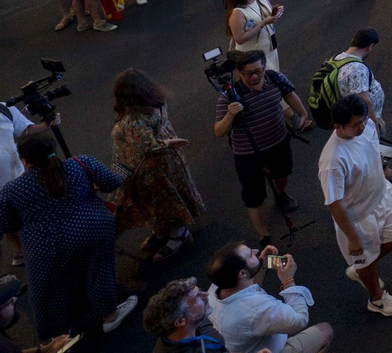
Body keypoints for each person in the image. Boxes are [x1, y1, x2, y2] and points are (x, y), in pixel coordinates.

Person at [0, 132, 138, 337]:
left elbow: (6, 224)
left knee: (47, 291)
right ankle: (110, 315)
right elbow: (111, 182)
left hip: (43, 246)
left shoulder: (12, 189)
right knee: (98, 271)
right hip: (92, 229)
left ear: (24, 160)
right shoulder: (80, 163)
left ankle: (57, 338)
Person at [318, 95, 392, 316]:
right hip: (358, 218)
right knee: (366, 261)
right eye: (355, 124)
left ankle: (362, 268)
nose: (362, 126)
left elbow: (372, 147)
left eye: (363, 120)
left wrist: (383, 167)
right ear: (337, 126)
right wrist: (353, 237)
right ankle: (377, 299)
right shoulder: (333, 161)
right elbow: (334, 204)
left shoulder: (366, 125)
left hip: (382, 196)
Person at [212, 49, 313, 241]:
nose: (255, 76)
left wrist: (303, 113)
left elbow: (289, 94)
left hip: (278, 141)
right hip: (248, 154)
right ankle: (263, 234)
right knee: (254, 196)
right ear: (238, 73)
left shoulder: (274, 78)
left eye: (258, 70)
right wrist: (230, 114)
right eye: (248, 73)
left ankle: (280, 196)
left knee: (283, 173)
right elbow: (218, 131)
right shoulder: (229, 96)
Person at [110, 69, 203, 262]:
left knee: (163, 202)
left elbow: (147, 148)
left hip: (152, 170)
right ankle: (165, 229)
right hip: (170, 161)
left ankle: (179, 235)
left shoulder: (136, 119)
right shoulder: (156, 103)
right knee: (172, 197)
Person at [204, 240, 333, 351]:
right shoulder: (256, 308)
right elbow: (300, 320)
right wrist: (288, 281)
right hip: (271, 351)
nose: (255, 251)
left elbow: (251, 287)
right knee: (326, 331)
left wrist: (261, 262)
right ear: (242, 274)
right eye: (251, 255)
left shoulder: (218, 286)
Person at [142, 276, 225, 351]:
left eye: (200, 291)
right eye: (197, 297)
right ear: (181, 321)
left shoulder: (191, 322)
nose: (206, 294)